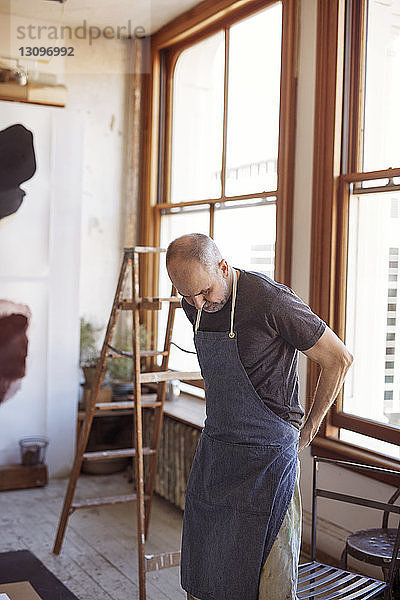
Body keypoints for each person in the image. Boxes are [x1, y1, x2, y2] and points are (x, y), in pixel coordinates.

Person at [165, 233, 353, 600]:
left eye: (204, 292)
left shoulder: (270, 299)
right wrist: (195, 298)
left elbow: (339, 358)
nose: (197, 303)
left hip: (268, 457)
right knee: (204, 573)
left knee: (269, 581)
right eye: (187, 295)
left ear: (222, 267)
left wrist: (310, 428)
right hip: (217, 453)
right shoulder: (193, 301)